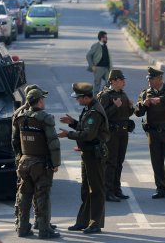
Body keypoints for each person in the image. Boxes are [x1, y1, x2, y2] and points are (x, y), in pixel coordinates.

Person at [58, 82, 110, 234]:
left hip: (95, 155)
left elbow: (88, 134)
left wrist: (69, 134)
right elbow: (84, 127)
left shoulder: (95, 112)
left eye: (79, 98)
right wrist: (73, 123)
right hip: (88, 154)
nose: (77, 101)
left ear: (86, 97)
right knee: (86, 190)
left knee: (96, 190)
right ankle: (83, 221)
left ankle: (95, 223)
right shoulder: (89, 108)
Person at [12, 88, 61, 239]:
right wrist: (55, 163)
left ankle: (23, 228)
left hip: (24, 161)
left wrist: (20, 157)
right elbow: (53, 143)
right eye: (43, 99)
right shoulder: (45, 118)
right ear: (39, 101)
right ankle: (44, 229)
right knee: (42, 196)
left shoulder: (19, 117)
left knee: (24, 196)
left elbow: (15, 141)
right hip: (41, 163)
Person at [134, 67, 165, 201]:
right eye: (148, 79)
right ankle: (160, 189)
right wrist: (144, 104)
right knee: (156, 162)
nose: (149, 81)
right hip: (153, 133)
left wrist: (160, 99)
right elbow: (137, 112)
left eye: (152, 79)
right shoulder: (145, 93)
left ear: (160, 79)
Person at [97, 70, 134, 202]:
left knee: (119, 162)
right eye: (120, 79)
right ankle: (108, 191)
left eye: (123, 79)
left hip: (123, 132)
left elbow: (126, 114)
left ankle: (116, 189)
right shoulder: (106, 95)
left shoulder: (122, 94)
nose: (123, 82)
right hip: (112, 133)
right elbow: (101, 115)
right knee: (111, 162)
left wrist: (130, 107)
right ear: (112, 81)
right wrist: (115, 106)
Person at [86, 31, 113, 95]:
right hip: (98, 68)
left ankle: (104, 96)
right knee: (97, 84)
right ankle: (95, 99)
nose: (107, 38)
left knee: (109, 82)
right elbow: (88, 55)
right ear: (101, 38)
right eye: (105, 37)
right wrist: (92, 66)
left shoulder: (105, 46)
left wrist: (110, 67)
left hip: (106, 68)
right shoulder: (96, 46)